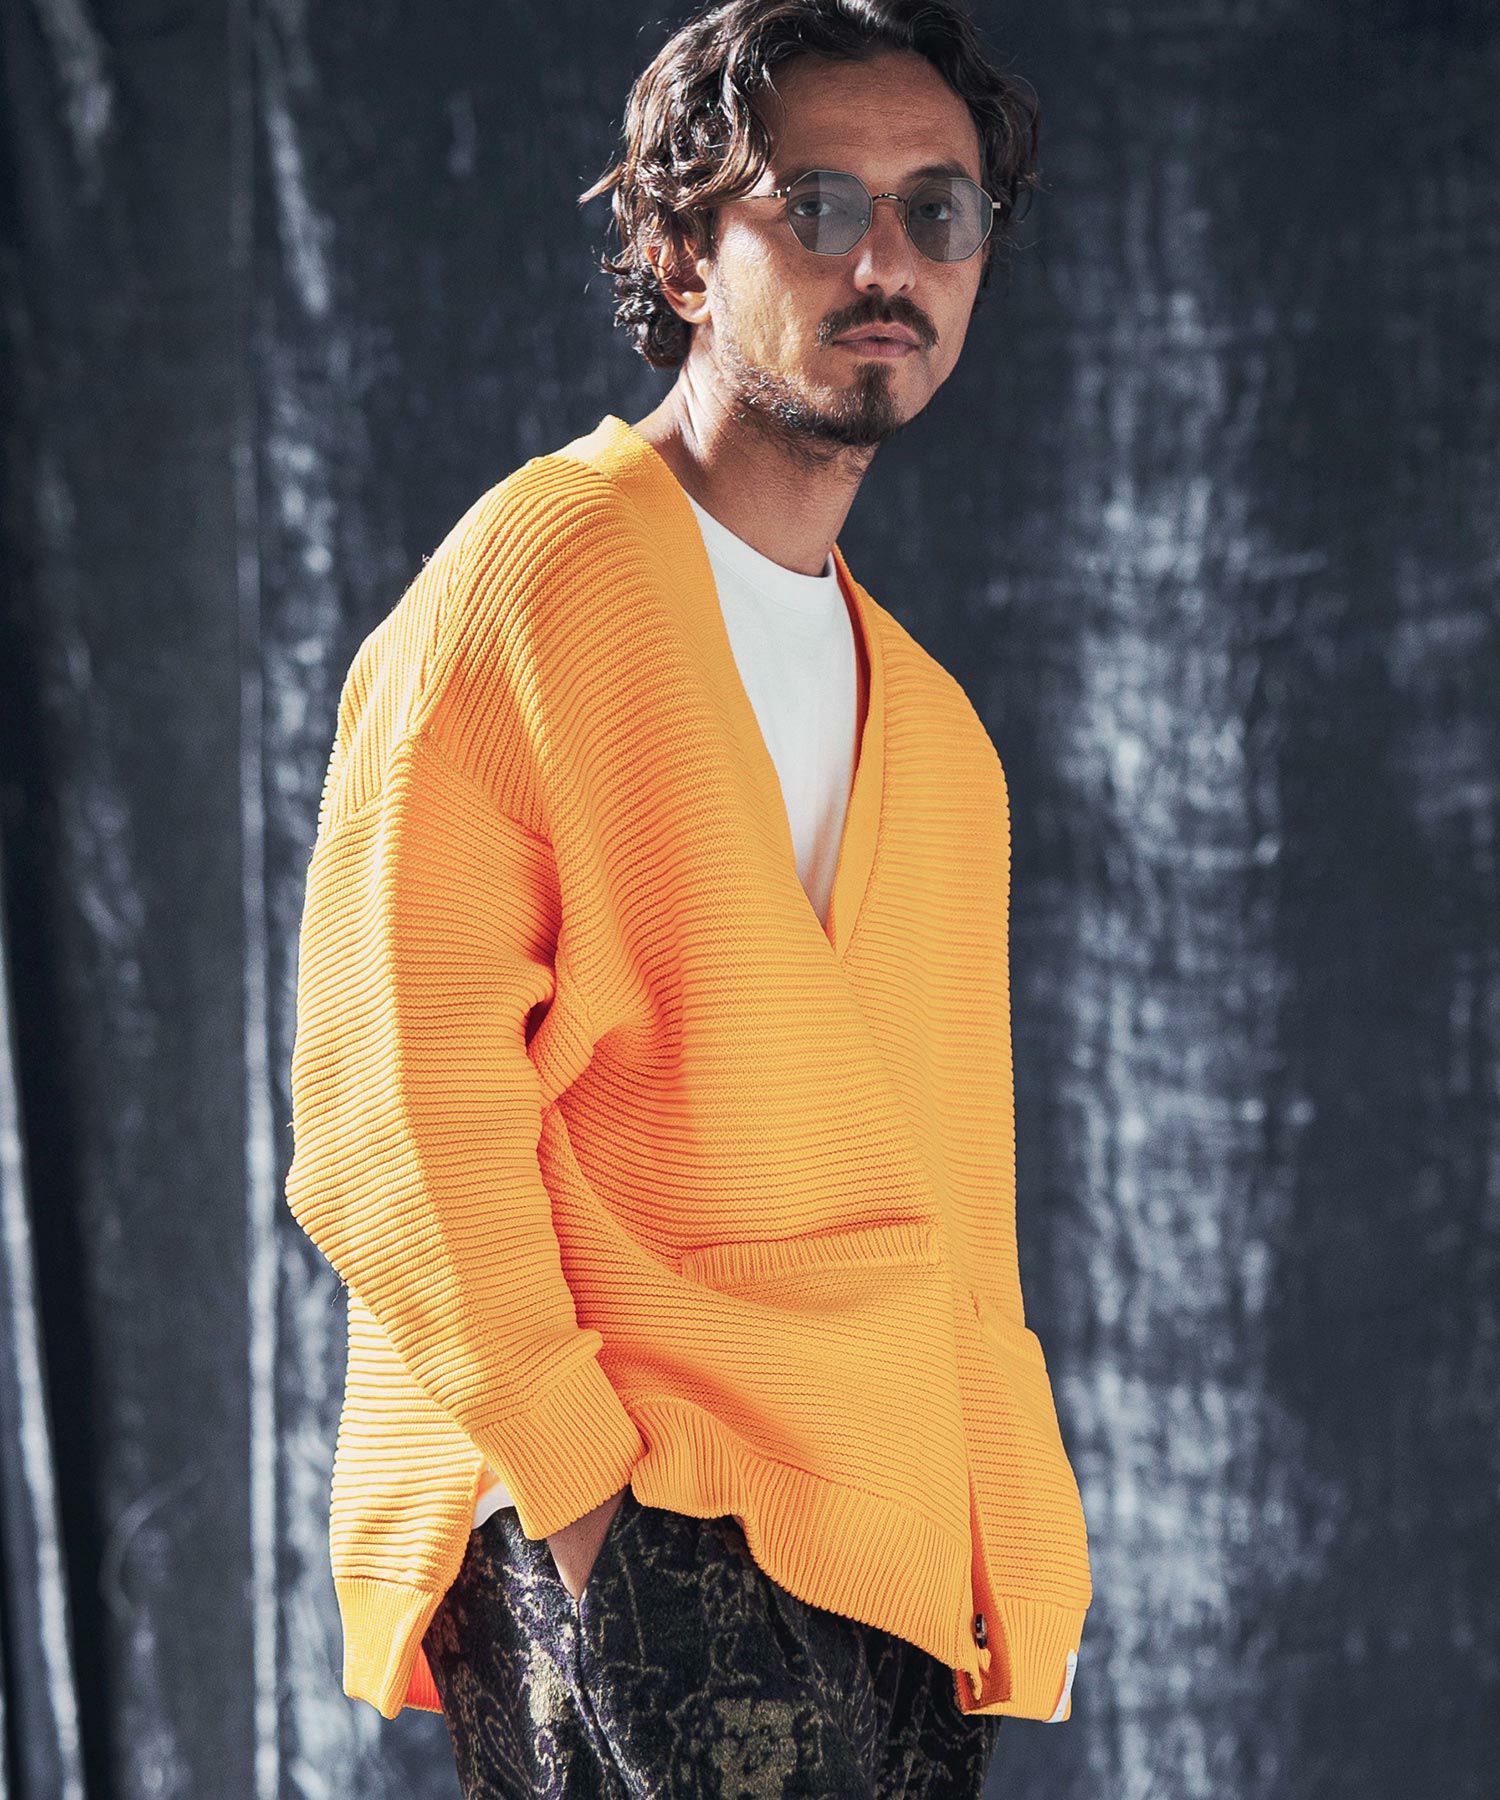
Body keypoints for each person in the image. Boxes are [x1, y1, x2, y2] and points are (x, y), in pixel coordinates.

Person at [284, 1, 1093, 1793]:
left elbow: (954, 1211)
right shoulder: (529, 585)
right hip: (635, 1498)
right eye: (819, 205)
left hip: (893, 1556)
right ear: (677, 254)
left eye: (937, 212)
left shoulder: (940, 738)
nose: (885, 262)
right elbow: (389, 1114)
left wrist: (1009, 1548)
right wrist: (588, 1513)